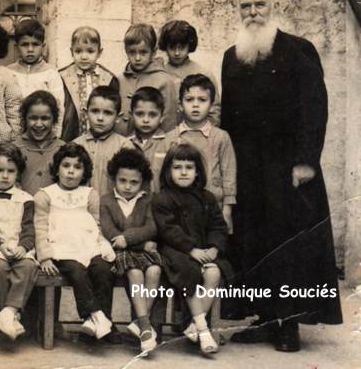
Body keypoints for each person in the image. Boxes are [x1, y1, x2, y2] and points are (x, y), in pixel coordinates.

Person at [221, 0, 342, 351]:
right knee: (252, 239)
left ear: (274, 5)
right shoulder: (232, 56)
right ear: (238, 10)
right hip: (247, 168)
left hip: (289, 168)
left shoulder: (298, 50)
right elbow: (228, 119)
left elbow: (314, 109)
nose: (253, 12)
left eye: (259, 4)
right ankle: (262, 315)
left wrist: (306, 161)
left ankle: (289, 323)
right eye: (246, 6)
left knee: (288, 242)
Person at [153, 144, 230, 356]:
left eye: (189, 167)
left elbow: (218, 226)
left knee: (214, 272)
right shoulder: (163, 198)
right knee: (190, 272)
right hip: (176, 252)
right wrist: (191, 249)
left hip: (204, 251)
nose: (184, 172)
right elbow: (168, 231)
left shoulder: (207, 197)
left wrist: (214, 247)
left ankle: (193, 326)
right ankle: (203, 330)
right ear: (168, 171)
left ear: (198, 171)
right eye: (178, 167)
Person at [35, 143, 115, 341]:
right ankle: (99, 317)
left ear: (84, 171)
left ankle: (92, 323)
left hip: (88, 245)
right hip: (61, 248)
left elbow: (95, 224)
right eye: (66, 165)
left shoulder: (89, 194)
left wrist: (103, 243)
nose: (71, 172)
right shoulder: (45, 195)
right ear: (57, 169)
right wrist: (45, 257)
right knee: (76, 272)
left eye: (77, 167)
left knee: (103, 270)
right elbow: (40, 228)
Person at [99, 148, 162, 354]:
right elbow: (109, 232)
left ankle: (138, 321)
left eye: (134, 182)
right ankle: (145, 325)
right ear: (113, 179)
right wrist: (138, 243)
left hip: (140, 251)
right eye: (122, 180)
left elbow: (152, 227)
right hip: (122, 254)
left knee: (154, 271)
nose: (127, 187)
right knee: (135, 273)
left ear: (142, 182)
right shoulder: (107, 201)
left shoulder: (148, 199)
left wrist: (128, 238)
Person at [0, 143, 38, 341]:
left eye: (10, 171)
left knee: (28, 266)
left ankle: (8, 312)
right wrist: (0, 246)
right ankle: (8, 316)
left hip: (18, 246)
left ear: (18, 173)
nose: (5, 176)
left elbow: (29, 228)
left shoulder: (26, 199)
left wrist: (23, 246)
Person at [167, 74, 236, 232]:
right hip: (180, 210)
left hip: (213, 209)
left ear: (212, 105)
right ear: (180, 104)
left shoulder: (221, 137)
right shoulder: (171, 137)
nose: (195, 105)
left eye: (202, 100)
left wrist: (227, 209)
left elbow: (229, 175)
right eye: (189, 100)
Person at [7, 19, 73, 140]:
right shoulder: (8, 73)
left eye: (35, 44)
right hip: (15, 136)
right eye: (25, 44)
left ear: (43, 46)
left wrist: (55, 137)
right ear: (16, 47)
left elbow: (58, 108)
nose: (30, 49)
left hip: (43, 133)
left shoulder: (51, 73)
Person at [115, 24, 179, 135]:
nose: (137, 58)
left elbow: (169, 123)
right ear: (126, 51)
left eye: (143, 52)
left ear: (153, 52)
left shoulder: (164, 81)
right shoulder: (119, 80)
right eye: (132, 52)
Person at [73, 85, 135, 198]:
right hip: (81, 209)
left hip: (113, 210)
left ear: (117, 117)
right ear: (86, 113)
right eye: (95, 111)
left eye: (107, 113)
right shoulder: (75, 145)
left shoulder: (124, 146)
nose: (100, 118)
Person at [58, 26, 118, 139]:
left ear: (99, 52)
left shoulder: (109, 79)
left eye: (90, 51)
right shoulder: (62, 77)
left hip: (102, 138)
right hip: (71, 137)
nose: (84, 57)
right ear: (71, 51)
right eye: (78, 51)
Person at [159, 19, 221, 125]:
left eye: (182, 47)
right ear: (165, 47)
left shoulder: (203, 74)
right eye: (172, 48)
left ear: (189, 46)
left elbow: (214, 112)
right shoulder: (159, 73)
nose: (177, 53)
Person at [14, 90, 66, 196]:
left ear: (54, 120)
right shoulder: (14, 148)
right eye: (33, 118)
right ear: (24, 119)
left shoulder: (63, 149)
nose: (38, 124)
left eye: (45, 118)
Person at [127, 86, 175, 192]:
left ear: (162, 117)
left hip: (159, 202)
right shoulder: (125, 143)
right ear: (131, 115)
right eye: (140, 114)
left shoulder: (169, 144)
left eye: (152, 115)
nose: (146, 120)